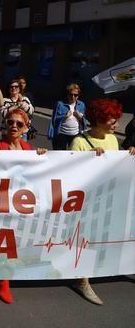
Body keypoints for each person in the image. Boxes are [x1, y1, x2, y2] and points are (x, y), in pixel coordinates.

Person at [67, 98, 132, 305]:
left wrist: (129, 155)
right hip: (87, 201)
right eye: (113, 121)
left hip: (109, 197)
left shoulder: (112, 140)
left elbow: (117, 166)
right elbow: (69, 173)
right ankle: (83, 280)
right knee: (85, 238)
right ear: (101, 120)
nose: (117, 125)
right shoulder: (79, 142)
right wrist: (87, 158)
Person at [0, 108, 47, 304]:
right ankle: (1, 279)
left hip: (21, 202)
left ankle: (4, 277)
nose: (14, 126)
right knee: (1, 241)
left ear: (26, 128)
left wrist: (42, 156)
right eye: (11, 122)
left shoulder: (29, 149)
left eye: (19, 124)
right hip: (1, 202)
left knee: (13, 242)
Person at [47, 83, 87, 150]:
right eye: (71, 94)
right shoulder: (60, 104)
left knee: (73, 155)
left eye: (75, 95)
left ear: (78, 96)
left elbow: (84, 121)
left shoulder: (81, 105)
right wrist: (65, 116)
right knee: (60, 155)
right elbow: (54, 120)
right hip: (61, 134)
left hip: (75, 134)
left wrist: (80, 117)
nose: (73, 97)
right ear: (68, 94)